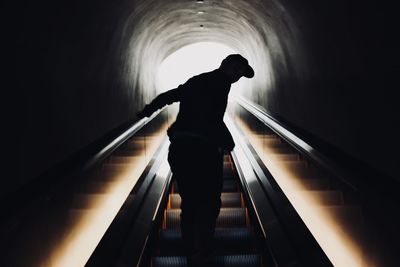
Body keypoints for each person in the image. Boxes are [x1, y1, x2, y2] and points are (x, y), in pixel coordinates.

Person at [137, 54, 254, 267]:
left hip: (181, 148)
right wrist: (228, 142)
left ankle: (193, 253)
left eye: (240, 74)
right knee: (208, 204)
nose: (237, 76)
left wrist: (147, 111)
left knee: (191, 204)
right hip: (202, 151)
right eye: (235, 70)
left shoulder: (199, 80)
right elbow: (208, 117)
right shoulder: (216, 83)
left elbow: (171, 95)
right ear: (224, 65)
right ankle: (201, 254)